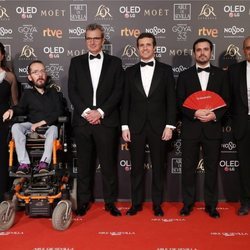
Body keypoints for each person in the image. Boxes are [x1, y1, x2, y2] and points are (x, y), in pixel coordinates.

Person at [68, 23, 124, 217]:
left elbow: (118, 92)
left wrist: (99, 112)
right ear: (85, 41)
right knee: (84, 165)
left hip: (106, 121)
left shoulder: (115, 63)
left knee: (108, 165)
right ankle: (83, 202)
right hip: (83, 122)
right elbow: (72, 91)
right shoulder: (75, 62)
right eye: (89, 38)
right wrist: (86, 112)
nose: (92, 42)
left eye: (96, 38)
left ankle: (110, 203)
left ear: (102, 40)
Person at [121, 33, 176, 217]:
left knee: (159, 167)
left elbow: (171, 100)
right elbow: (125, 102)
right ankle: (135, 204)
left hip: (159, 126)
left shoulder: (166, 70)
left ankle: (157, 204)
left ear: (155, 47)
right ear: (137, 48)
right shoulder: (129, 72)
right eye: (141, 45)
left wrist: (170, 125)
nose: (145, 48)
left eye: (148, 45)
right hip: (135, 126)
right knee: (136, 168)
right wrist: (124, 126)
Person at [176, 38, 229, 218]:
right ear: (194, 53)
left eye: (205, 49)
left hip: (213, 129)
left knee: (212, 169)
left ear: (211, 52)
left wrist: (215, 115)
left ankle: (211, 205)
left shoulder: (222, 75)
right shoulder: (184, 76)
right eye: (198, 50)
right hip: (191, 128)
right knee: (188, 169)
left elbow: (226, 102)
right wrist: (194, 113)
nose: (202, 53)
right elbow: (180, 103)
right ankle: (187, 204)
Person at [3, 60, 63, 175]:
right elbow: (20, 108)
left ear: (45, 74)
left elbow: (59, 112)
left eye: (42, 71)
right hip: (31, 126)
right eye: (35, 72)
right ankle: (24, 163)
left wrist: (40, 123)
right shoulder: (28, 93)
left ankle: (44, 163)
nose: (40, 75)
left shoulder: (53, 92)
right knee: (16, 127)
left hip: (49, 126)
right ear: (30, 77)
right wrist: (12, 110)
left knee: (54, 129)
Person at [228, 36, 250, 216]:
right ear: (244, 50)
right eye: (248, 48)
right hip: (243, 125)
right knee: (245, 167)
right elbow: (228, 100)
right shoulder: (235, 70)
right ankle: (246, 203)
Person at [0, 42, 18, 202]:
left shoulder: (9, 76)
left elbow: (15, 103)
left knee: (2, 159)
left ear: (2, 55)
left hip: (3, 123)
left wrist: (12, 110)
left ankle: (2, 197)